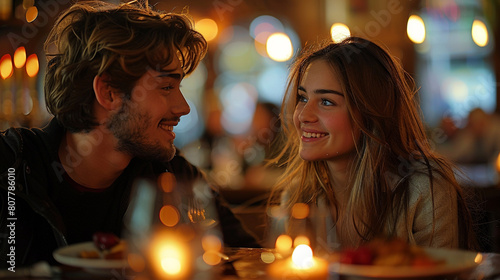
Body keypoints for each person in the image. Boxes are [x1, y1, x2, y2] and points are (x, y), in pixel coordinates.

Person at [0, 0, 258, 268]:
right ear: (109, 92)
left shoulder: (174, 176)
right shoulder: (10, 167)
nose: (183, 107)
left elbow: (250, 263)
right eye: (166, 87)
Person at [267, 37, 477, 251]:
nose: (302, 115)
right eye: (302, 98)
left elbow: (441, 273)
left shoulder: (424, 189)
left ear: (370, 114)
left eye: (326, 101)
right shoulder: (298, 196)